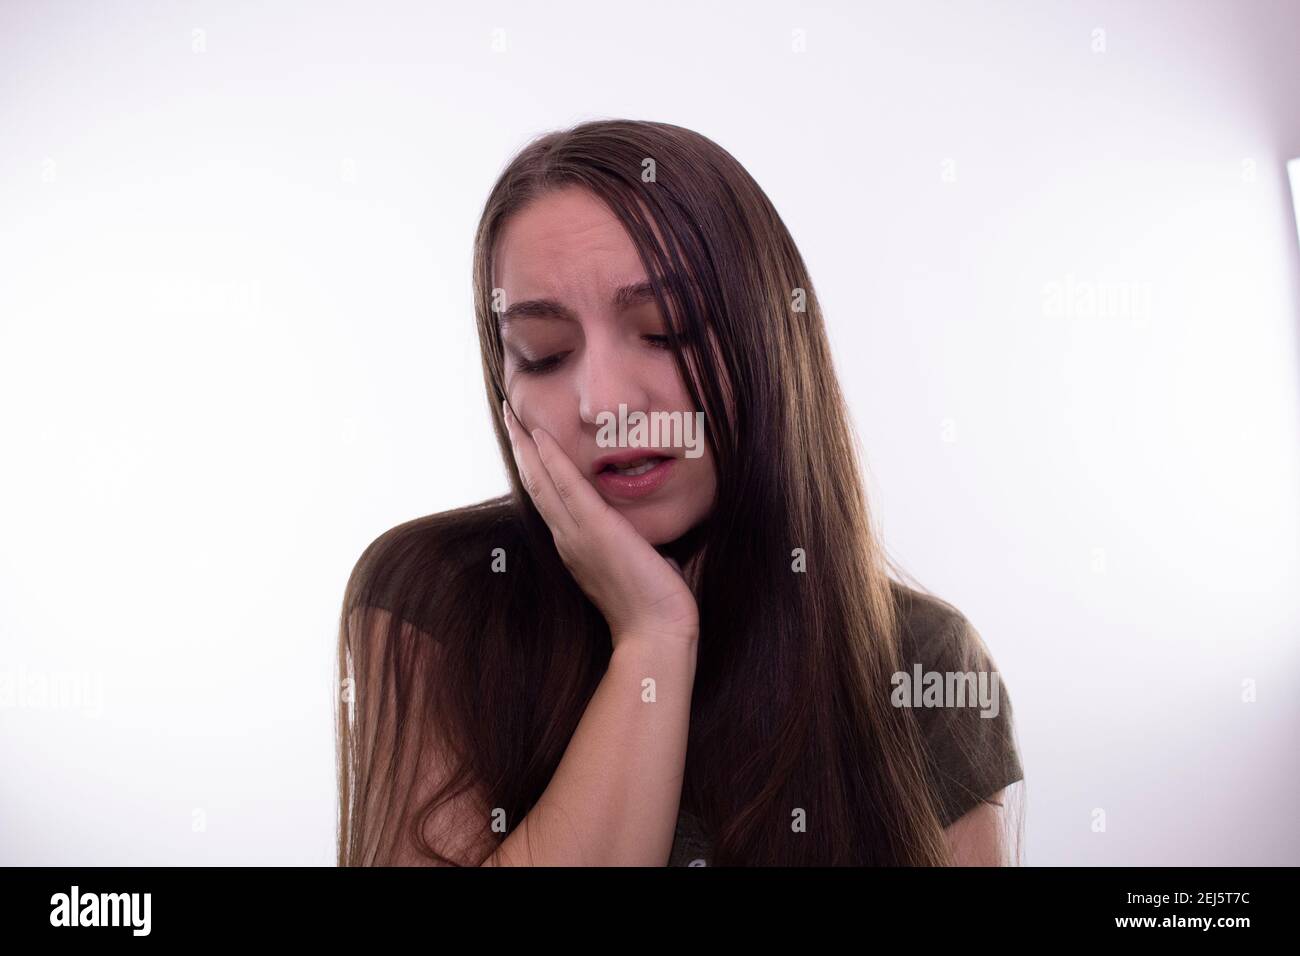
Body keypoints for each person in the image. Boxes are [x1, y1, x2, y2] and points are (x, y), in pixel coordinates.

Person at [335, 119, 1025, 866]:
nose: (602, 400)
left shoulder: (923, 663)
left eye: (665, 330)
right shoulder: (437, 602)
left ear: (769, 340)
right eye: (545, 354)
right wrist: (653, 637)